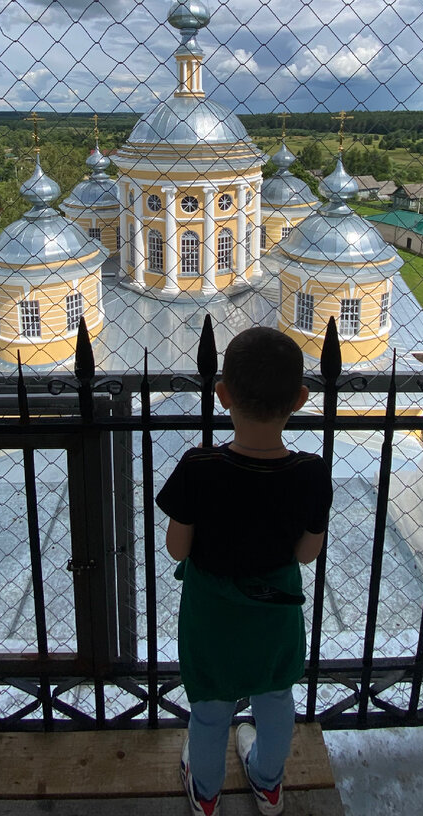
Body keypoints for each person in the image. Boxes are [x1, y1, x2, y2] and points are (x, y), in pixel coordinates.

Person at [156, 326, 334, 816]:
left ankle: (207, 793)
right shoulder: (311, 474)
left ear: (222, 395)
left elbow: (176, 549)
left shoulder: (199, 468)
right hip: (274, 613)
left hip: (211, 616)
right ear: (299, 399)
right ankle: (268, 782)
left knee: (210, 711)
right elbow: (306, 554)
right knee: (276, 700)